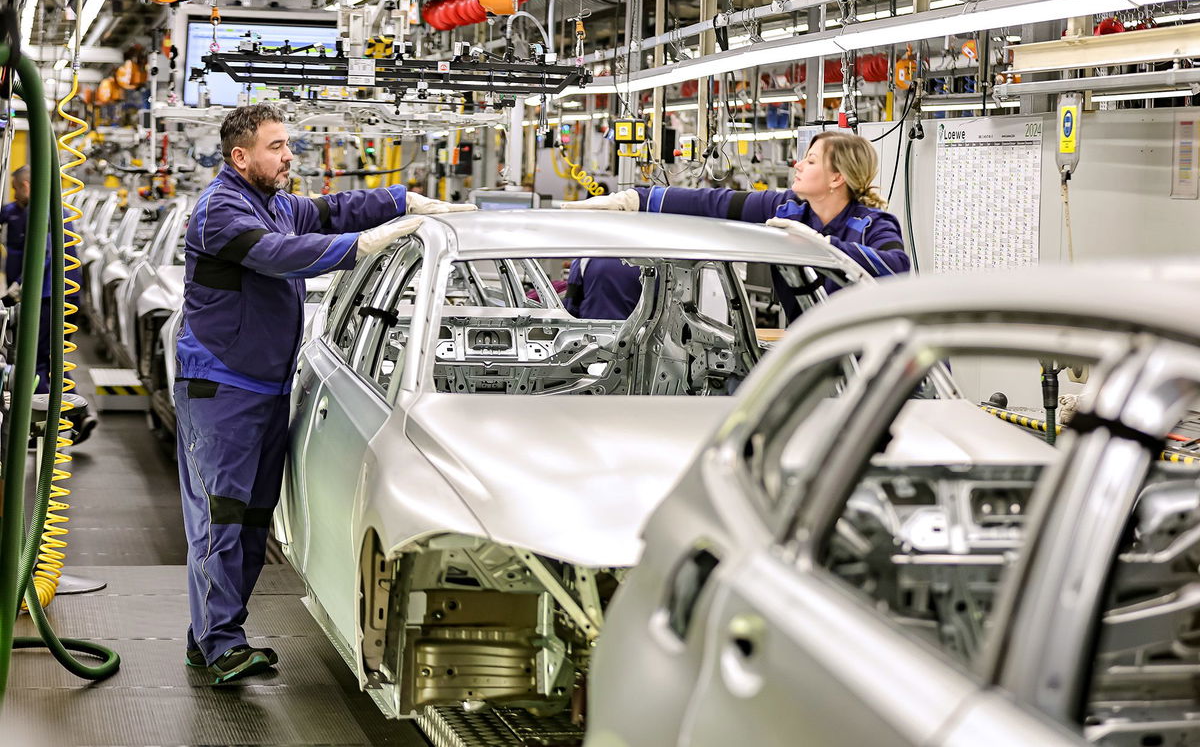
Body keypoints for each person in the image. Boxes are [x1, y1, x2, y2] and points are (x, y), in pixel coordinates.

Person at [174, 104, 475, 684]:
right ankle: (219, 643)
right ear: (241, 157)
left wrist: (405, 202)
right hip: (221, 386)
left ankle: (210, 635)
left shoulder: (275, 203)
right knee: (223, 517)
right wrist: (362, 246)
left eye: (288, 146)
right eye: (277, 147)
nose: (289, 157)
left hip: (263, 383)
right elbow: (278, 256)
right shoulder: (222, 212)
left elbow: (332, 209)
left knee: (253, 519)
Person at [561, 132, 910, 319]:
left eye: (811, 160)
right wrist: (635, 200)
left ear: (837, 178)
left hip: (868, 352)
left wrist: (822, 246)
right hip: (811, 344)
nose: (798, 164)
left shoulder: (871, 224)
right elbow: (713, 204)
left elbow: (897, 266)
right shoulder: (787, 208)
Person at [1, 167, 90, 432]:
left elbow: (43, 258)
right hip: (58, 296)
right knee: (54, 359)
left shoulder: (45, 212)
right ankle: (77, 417)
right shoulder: (38, 207)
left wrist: (15, 292)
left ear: (26, 185)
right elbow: (8, 212)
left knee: (37, 359)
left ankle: (48, 425)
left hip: (49, 298)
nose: (14, 194)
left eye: (16, 188)